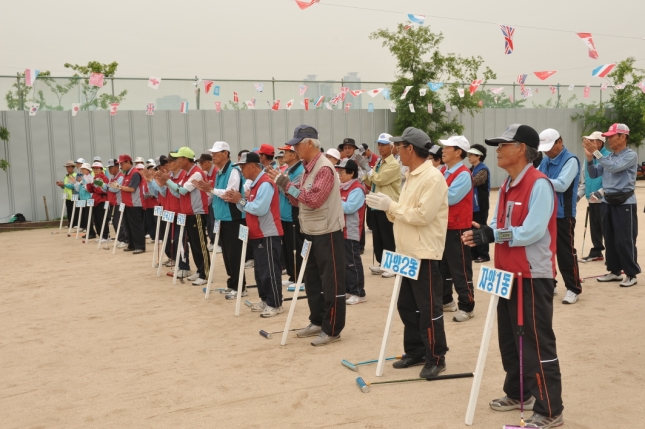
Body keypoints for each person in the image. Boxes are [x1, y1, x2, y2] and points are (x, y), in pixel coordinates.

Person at [462, 123, 564, 429]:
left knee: (535, 342)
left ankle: (550, 410)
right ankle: (519, 394)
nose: (498, 149)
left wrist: (495, 234)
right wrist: (484, 232)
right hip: (506, 273)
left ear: (521, 149)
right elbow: (496, 222)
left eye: (503, 144)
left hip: (532, 275)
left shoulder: (539, 184)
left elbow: (532, 231)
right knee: (510, 340)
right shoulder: (507, 184)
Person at [366, 126, 449, 378]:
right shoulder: (411, 175)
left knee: (428, 308)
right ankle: (415, 350)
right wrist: (388, 208)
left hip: (422, 252)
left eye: (399, 147)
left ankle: (436, 356)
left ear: (410, 148)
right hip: (405, 252)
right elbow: (402, 212)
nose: (396, 151)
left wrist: (391, 205)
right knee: (406, 305)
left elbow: (422, 215)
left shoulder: (432, 177)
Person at [266, 125, 346, 347]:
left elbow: (313, 200)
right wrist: (286, 187)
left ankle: (332, 328)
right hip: (310, 230)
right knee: (312, 280)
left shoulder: (324, 168)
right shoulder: (306, 168)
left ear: (310, 143)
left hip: (327, 231)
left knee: (331, 282)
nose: (294, 148)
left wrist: (286, 184)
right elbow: (296, 199)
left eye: (297, 144)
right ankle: (317, 320)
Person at [222, 152, 285, 317]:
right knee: (260, 271)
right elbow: (248, 208)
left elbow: (259, 209)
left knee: (269, 270)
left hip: (268, 233)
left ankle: (275, 303)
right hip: (258, 233)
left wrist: (240, 200)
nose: (241, 170)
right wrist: (240, 201)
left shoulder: (264, 183)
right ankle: (266, 299)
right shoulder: (257, 184)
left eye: (242, 167)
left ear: (252, 166)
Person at [583, 123, 640, 287]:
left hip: (624, 203)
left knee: (625, 239)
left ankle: (631, 273)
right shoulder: (608, 157)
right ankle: (614, 271)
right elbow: (594, 174)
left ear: (623, 137)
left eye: (611, 136)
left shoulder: (631, 155)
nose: (608, 140)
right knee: (610, 238)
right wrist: (589, 158)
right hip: (608, 201)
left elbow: (614, 169)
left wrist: (596, 153)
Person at [194, 142, 247, 298]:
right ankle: (232, 284)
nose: (213, 155)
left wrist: (210, 190)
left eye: (217, 152)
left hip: (233, 218)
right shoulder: (219, 172)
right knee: (227, 254)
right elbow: (216, 194)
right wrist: (207, 190)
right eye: (213, 152)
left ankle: (240, 287)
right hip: (222, 218)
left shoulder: (233, 171)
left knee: (234, 254)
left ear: (226, 153)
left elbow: (230, 194)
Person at [537, 128, 583, 304]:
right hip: (546, 213)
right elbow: (538, 176)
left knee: (565, 252)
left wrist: (539, 180)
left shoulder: (570, 160)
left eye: (550, 146)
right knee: (545, 252)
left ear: (560, 142)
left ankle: (573, 288)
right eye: (545, 148)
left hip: (564, 214)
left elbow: (562, 185)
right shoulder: (546, 160)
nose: (547, 151)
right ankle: (551, 284)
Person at [160, 147, 211, 286]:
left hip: (197, 213)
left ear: (185, 159)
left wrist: (168, 182)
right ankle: (200, 270)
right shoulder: (188, 173)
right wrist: (167, 183)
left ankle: (205, 273)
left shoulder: (196, 173)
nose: (177, 161)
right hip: (188, 213)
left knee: (200, 245)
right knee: (194, 245)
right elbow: (178, 192)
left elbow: (182, 190)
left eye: (179, 158)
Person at [439, 136, 475, 322]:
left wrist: (432, 193)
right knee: (443, 267)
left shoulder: (462, 174)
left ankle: (466, 306)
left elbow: (450, 198)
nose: (443, 150)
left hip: (458, 229)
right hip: (443, 226)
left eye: (447, 147)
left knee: (460, 268)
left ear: (458, 152)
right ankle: (446, 300)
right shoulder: (443, 170)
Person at [355, 132, 400, 279]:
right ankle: (383, 264)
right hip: (375, 203)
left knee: (388, 236)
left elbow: (379, 180)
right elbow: (371, 182)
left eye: (383, 145)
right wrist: (364, 172)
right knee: (378, 237)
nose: (380, 147)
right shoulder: (380, 162)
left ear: (391, 146)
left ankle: (392, 266)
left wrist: (367, 169)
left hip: (387, 205)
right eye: (379, 144)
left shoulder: (393, 164)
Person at [336, 159, 367, 305]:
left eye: (342, 172)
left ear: (351, 173)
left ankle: (359, 292)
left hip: (352, 231)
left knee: (352, 262)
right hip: (341, 230)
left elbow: (349, 208)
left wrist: (334, 200)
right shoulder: (342, 187)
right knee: (344, 262)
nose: (339, 174)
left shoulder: (357, 188)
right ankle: (349, 289)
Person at [277, 144, 305, 288]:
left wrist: (280, 182)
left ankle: (301, 278)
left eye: (286, 152)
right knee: (288, 247)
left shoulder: (300, 171)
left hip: (293, 214)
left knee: (296, 247)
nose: (283, 155)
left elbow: (293, 193)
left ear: (294, 154)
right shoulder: (288, 169)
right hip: (285, 215)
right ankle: (293, 276)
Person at [578, 131, 609, 262]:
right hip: (591, 199)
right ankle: (597, 252)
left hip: (604, 200)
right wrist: (578, 196)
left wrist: (600, 193)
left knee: (606, 229)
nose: (589, 143)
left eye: (592, 141)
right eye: (588, 141)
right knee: (595, 228)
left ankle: (612, 255)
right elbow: (585, 181)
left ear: (600, 143)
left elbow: (610, 181)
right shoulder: (588, 159)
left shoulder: (608, 157)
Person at [111, 155, 146, 254]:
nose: (120, 166)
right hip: (126, 204)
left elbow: (132, 189)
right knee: (128, 226)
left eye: (122, 164)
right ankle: (131, 245)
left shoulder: (135, 173)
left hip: (134, 204)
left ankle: (140, 246)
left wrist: (119, 186)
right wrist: (119, 187)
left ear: (127, 162)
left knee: (136, 226)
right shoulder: (127, 174)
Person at [468, 144, 491, 263]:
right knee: (472, 229)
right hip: (472, 206)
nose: (469, 157)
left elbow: (473, 182)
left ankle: (484, 254)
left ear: (479, 156)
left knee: (480, 228)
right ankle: (474, 253)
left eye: (472, 155)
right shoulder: (471, 169)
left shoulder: (483, 169)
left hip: (480, 205)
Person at [198, 153, 218, 251]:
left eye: (201, 163)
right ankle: (213, 241)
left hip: (216, 202)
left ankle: (218, 243)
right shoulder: (206, 174)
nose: (200, 165)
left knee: (214, 222)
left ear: (207, 163)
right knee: (209, 223)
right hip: (209, 202)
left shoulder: (216, 172)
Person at [106, 159, 128, 247]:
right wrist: (105, 186)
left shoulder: (121, 177)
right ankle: (119, 238)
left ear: (116, 167)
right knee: (115, 222)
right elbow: (109, 187)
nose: (109, 170)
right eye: (109, 168)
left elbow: (115, 189)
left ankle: (124, 239)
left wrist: (107, 186)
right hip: (112, 202)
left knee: (120, 222)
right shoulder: (112, 177)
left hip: (119, 202)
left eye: (111, 167)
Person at [87, 162, 110, 242]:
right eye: (94, 168)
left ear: (101, 169)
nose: (95, 170)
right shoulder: (94, 178)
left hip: (102, 200)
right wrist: (89, 184)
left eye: (97, 168)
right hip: (95, 201)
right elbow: (90, 190)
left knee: (102, 219)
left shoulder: (104, 178)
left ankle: (105, 236)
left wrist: (95, 188)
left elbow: (103, 190)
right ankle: (101, 235)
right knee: (96, 219)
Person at [74, 163, 96, 238]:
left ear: (87, 170)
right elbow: (78, 188)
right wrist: (76, 183)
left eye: (83, 169)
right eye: (82, 169)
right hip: (83, 198)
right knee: (84, 216)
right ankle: (89, 231)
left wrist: (81, 182)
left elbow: (89, 188)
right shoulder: (83, 177)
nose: (82, 170)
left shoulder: (90, 178)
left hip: (89, 198)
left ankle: (91, 232)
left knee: (88, 216)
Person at [56, 160, 78, 228]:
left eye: (69, 167)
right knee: (69, 211)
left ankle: (76, 223)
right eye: (66, 167)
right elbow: (64, 186)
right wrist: (61, 185)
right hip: (67, 196)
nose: (67, 168)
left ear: (73, 167)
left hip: (73, 195)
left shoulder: (75, 175)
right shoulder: (66, 176)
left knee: (74, 210)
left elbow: (74, 186)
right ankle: (70, 223)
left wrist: (64, 184)